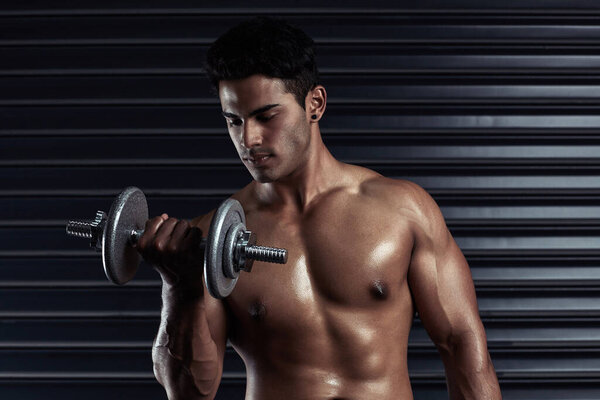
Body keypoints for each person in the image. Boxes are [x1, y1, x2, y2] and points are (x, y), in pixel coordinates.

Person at [137, 16, 502, 400]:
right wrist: (181, 289)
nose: (249, 138)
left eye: (266, 116)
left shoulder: (403, 210)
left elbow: (462, 348)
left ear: (315, 104)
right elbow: (191, 392)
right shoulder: (213, 239)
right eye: (234, 120)